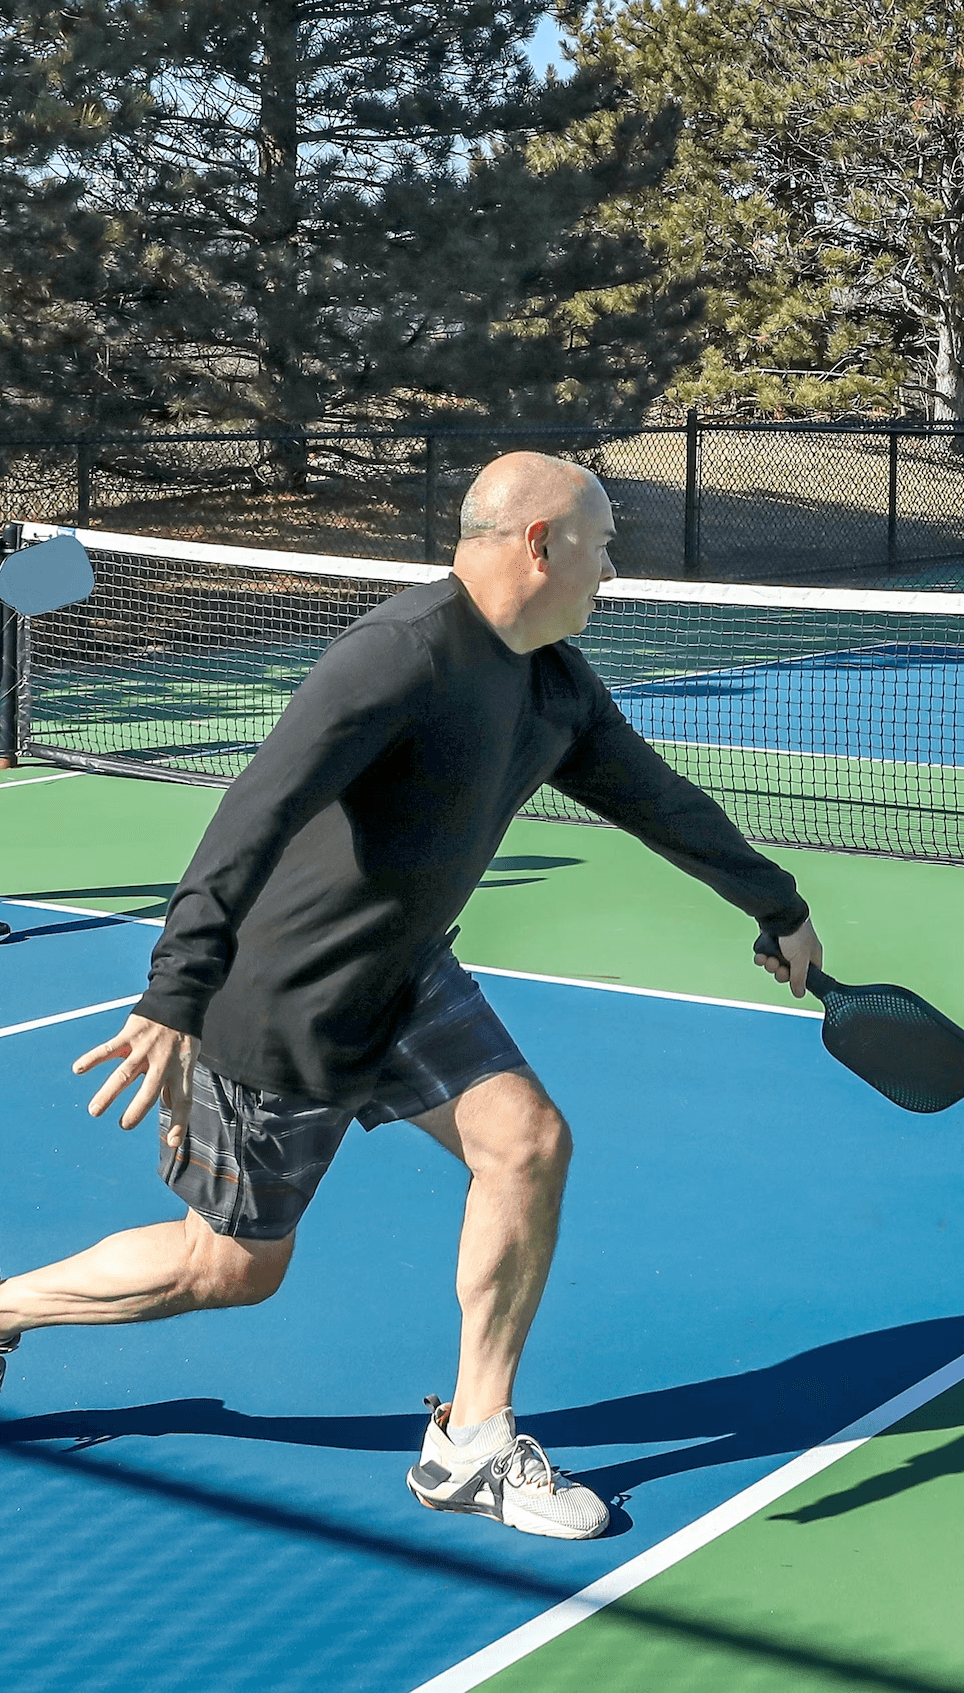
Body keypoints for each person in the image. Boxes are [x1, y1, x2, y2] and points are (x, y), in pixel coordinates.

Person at [0, 453, 825, 1541]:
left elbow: (656, 801)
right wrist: (175, 991)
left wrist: (777, 903)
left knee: (528, 1142)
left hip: (406, 972)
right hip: (286, 997)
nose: (613, 570)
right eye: (603, 543)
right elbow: (254, 810)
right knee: (231, 1268)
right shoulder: (396, 658)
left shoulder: (552, 682)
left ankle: (472, 1440)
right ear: (540, 543)